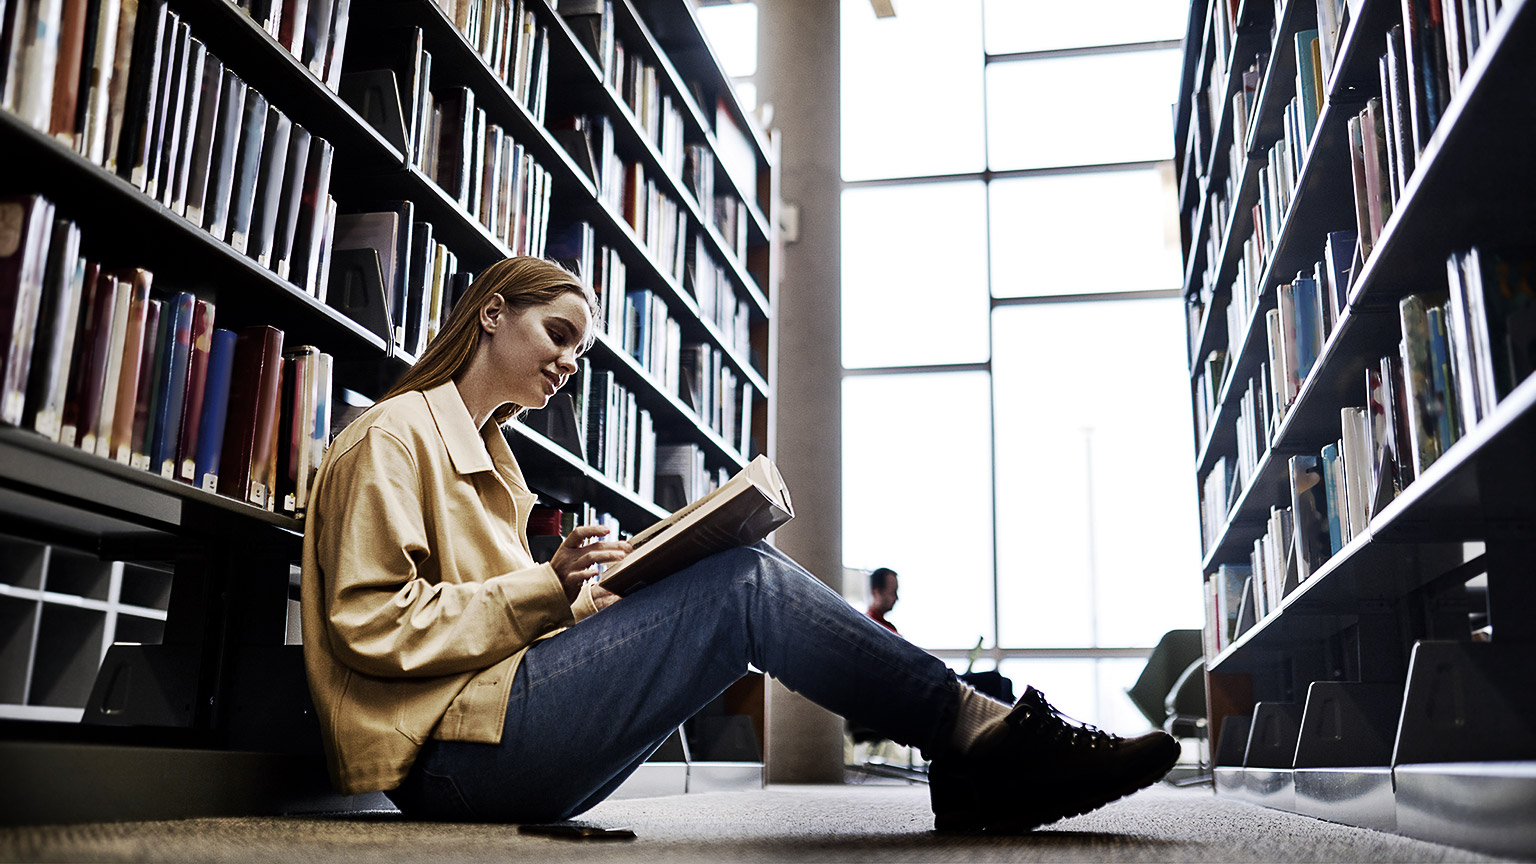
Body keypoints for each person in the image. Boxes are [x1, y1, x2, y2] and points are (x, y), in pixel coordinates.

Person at [300, 256, 1179, 833]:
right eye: (558, 334)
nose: (570, 363)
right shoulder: (393, 436)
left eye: (584, 350)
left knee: (723, 576)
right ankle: (985, 737)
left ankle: (976, 748)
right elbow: (372, 626)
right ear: (491, 313)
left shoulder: (494, 458)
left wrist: (597, 596)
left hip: (494, 741)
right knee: (745, 585)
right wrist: (544, 591)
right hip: (452, 763)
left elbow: (487, 632)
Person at [866, 567, 900, 633]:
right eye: (892, 592)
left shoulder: (889, 628)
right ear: (877, 592)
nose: (896, 598)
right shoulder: (869, 627)